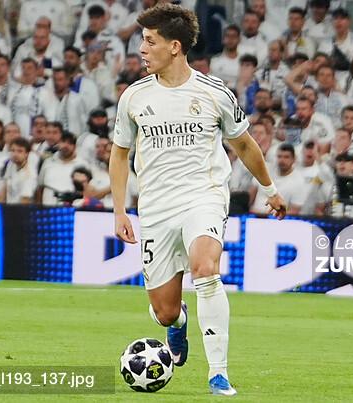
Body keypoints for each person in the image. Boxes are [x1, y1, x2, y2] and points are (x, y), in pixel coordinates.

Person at [108, 4, 286, 396]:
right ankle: (179, 322)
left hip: (203, 198)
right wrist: (119, 210)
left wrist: (271, 190)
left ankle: (218, 373)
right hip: (156, 209)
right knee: (164, 311)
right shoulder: (133, 97)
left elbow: (244, 144)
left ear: (174, 46)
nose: (142, 49)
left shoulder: (213, 92)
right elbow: (119, 155)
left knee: (206, 269)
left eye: (149, 41)